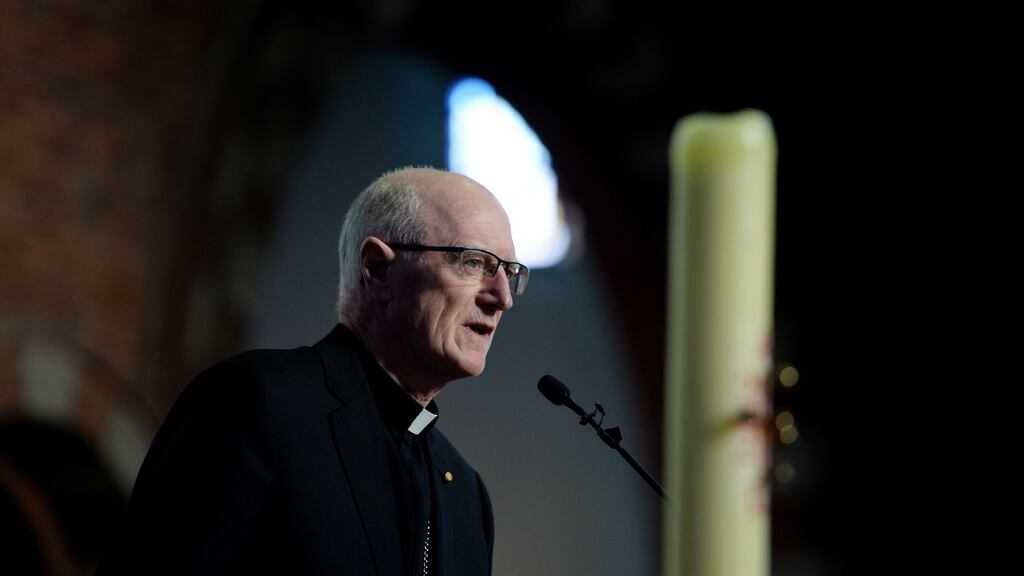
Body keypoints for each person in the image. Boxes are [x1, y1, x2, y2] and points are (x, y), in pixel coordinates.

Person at [95, 166, 529, 575]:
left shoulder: (467, 497)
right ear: (378, 270)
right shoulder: (257, 403)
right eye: (475, 263)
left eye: (509, 272)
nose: (502, 297)